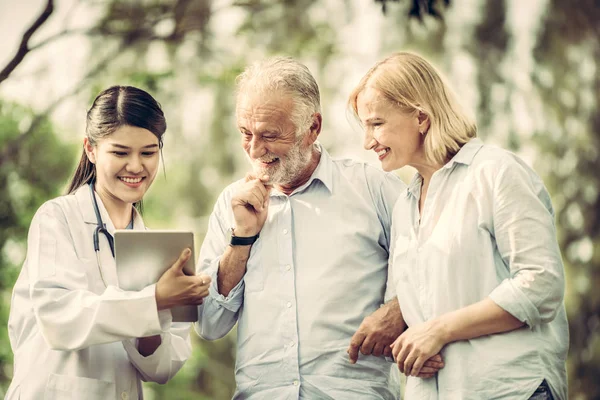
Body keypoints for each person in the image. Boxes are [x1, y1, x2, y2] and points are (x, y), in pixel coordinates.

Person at [195, 57, 443, 399]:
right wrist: (241, 240)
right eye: (245, 133)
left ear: (313, 128)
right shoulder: (230, 203)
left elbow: (438, 265)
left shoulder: (373, 188)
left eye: (270, 135)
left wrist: (399, 310)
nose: (255, 149)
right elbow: (208, 323)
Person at [349, 51, 569, 400]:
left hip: (510, 391)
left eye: (376, 123)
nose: (367, 141)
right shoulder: (405, 206)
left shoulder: (496, 172)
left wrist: (439, 330)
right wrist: (413, 349)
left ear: (420, 117)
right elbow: (424, 311)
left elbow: (541, 285)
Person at [6, 86, 211, 400]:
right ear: (90, 149)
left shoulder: (159, 249)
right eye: (120, 152)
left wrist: (160, 310)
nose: (135, 166)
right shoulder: (57, 218)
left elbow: (161, 369)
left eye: (148, 152)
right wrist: (153, 300)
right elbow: (59, 319)